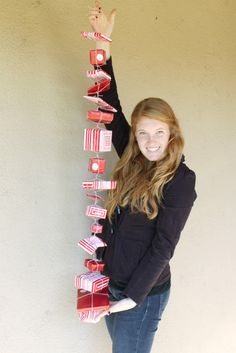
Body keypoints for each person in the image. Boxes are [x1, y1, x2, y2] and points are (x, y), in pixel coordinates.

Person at [87, 2, 197, 353]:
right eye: (143, 133)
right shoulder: (132, 160)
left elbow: (164, 245)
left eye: (158, 133)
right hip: (111, 284)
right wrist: (103, 43)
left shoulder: (180, 180)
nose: (150, 142)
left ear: (171, 134)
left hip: (143, 294)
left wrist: (133, 298)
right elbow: (110, 103)